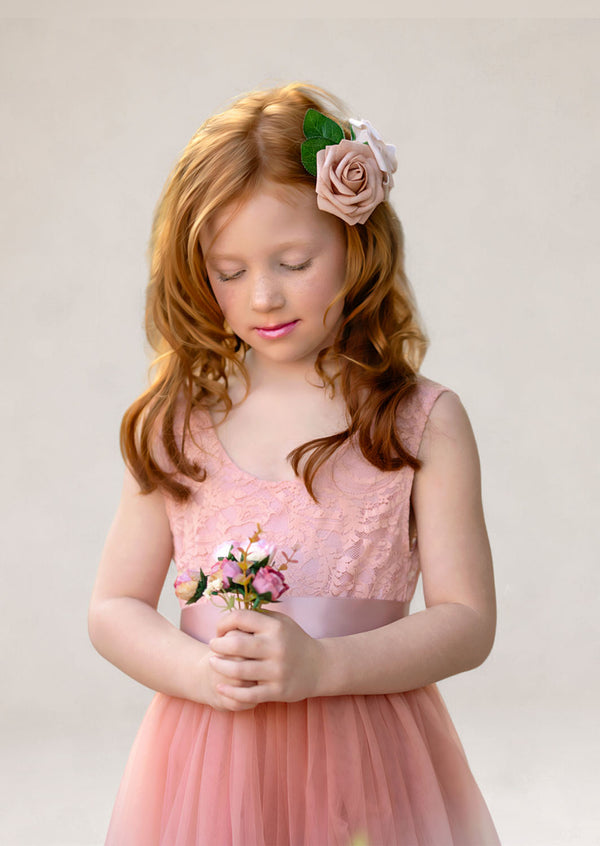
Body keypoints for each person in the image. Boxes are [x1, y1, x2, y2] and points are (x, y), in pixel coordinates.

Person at [89, 82, 501, 846]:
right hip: (211, 756)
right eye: (230, 271)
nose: (264, 295)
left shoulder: (420, 422)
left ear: (356, 242)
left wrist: (323, 670)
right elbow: (113, 607)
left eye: (293, 260)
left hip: (367, 750)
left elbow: (468, 622)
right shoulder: (179, 422)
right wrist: (198, 675)